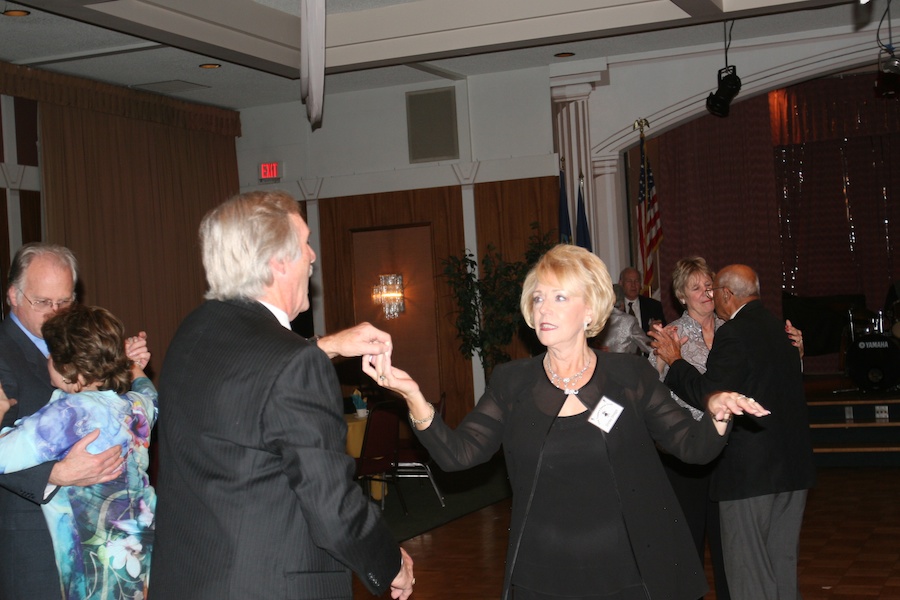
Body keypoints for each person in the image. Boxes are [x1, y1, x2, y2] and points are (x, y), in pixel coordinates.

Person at [364, 244, 769, 600]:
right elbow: (459, 455)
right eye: (538, 298)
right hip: (542, 573)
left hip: (630, 569)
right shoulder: (512, 382)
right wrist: (414, 399)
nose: (544, 308)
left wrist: (717, 415)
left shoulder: (629, 376)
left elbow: (692, 446)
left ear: (590, 308)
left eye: (559, 297)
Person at [151, 190, 414, 600]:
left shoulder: (192, 333)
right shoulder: (294, 365)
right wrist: (389, 563)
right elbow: (333, 510)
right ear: (277, 261)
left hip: (191, 579)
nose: (312, 256)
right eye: (305, 243)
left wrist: (323, 346)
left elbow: (253, 385)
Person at [650, 264, 816, 600]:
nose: (707, 294)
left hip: (745, 466)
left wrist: (677, 363)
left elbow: (716, 392)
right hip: (698, 452)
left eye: (710, 287)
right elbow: (658, 398)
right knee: (764, 561)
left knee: (746, 566)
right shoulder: (675, 333)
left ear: (725, 293)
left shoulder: (735, 328)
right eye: (697, 288)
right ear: (682, 295)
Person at [0, 243, 146, 599]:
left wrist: (122, 367)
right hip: (32, 545)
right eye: (43, 302)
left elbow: (109, 406)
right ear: (13, 296)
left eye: (64, 302)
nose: (55, 313)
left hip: (103, 548)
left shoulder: (72, 341)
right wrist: (54, 474)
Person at [619, 266, 665, 331]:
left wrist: (653, 332)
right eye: (629, 281)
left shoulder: (654, 306)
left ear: (640, 284)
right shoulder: (614, 307)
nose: (633, 285)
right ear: (621, 283)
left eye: (636, 281)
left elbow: (664, 331)